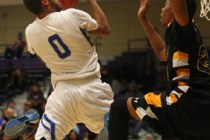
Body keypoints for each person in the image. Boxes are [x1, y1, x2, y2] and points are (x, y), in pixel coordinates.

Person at [4, 0, 113, 140]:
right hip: (91, 88)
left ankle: (30, 130)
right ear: (44, 1)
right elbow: (104, 28)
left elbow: (45, 59)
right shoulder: (72, 15)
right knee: (114, 127)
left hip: (61, 94)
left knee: (45, 137)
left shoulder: (30, 32)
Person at [108, 0, 210, 140]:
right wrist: (143, 19)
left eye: (166, 4)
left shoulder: (184, 28)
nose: (162, 9)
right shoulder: (184, 35)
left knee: (119, 107)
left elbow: (180, 7)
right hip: (202, 112)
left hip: (186, 103)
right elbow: (162, 52)